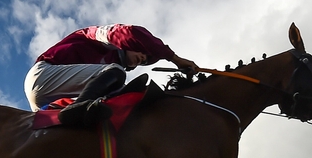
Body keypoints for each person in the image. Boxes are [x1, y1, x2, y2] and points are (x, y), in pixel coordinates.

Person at [24, 24, 199, 127]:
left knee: (116, 91)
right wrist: (175, 59)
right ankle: (78, 109)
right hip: (42, 76)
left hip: (44, 104)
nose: (142, 59)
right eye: (142, 53)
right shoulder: (100, 37)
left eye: (145, 61)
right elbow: (132, 32)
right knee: (115, 73)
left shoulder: (107, 70)